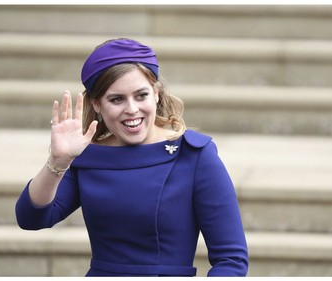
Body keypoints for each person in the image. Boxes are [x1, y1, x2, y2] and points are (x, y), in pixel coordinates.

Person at [15, 38, 249, 277]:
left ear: (156, 94)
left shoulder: (194, 155)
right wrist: (57, 161)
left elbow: (231, 259)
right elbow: (31, 218)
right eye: (117, 99)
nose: (132, 109)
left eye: (141, 95)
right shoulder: (87, 156)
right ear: (96, 104)